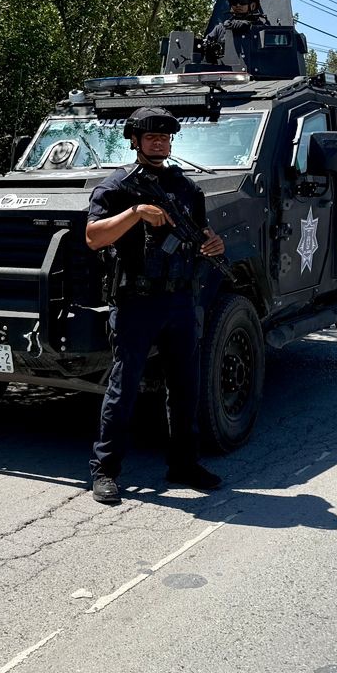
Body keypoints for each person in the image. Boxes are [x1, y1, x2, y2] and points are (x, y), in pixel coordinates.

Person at [84, 107, 226, 505]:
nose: (159, 143)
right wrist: (135, 213)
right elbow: (94, 237)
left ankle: (184, 463)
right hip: (136, 300)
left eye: (164, 138)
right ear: (135, 141)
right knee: (123, 387)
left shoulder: (185, 188)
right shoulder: (117, 187)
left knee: (185, 386)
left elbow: (201, 234)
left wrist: (213, 243)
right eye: (151, 138)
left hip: (179, 298)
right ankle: (105, 471)